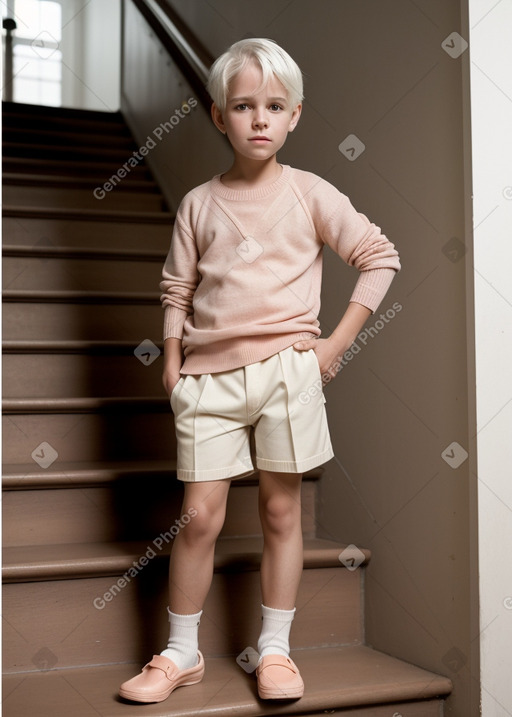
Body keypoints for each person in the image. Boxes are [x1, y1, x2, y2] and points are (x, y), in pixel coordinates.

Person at [119, 37, 400, 705]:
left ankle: (275, 649)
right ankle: (180, 652)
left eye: (274, 106)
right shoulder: (197, 203)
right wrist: (173, 356)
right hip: (208, 380)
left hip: (286, 372)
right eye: (243, 106)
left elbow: (379, 256)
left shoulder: (311, 193)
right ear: (220, 116)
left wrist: (333, 347)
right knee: (199, 518)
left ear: (295, 114)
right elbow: (177, 286)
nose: (259, 119)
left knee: (280, 511)